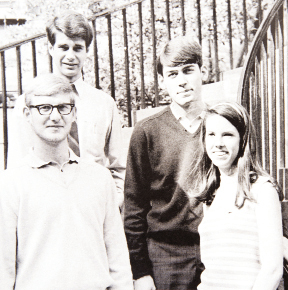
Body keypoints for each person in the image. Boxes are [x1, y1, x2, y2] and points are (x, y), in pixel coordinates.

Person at [0, 73, 133, 290]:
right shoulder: (10, 184)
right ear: (27, 114)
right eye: (44, 107)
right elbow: (3, 271)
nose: (55, 116)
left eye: (63, 107)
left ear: (74, 114)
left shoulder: (99, 178)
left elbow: (117, 259)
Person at [8, 11, 125, 208]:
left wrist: (112, 204)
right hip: (43, 207)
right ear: (51, 48)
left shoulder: (104, 104)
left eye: (77, 48)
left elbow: (119, 168)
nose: (70, 56)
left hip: (93, 206)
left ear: (87, 51)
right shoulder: (27, 104)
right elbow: (17, 168)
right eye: (63, 47)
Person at [124, 35, 207, 290]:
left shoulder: (221, 126)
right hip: (166, 256)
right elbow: (134, 206)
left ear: (203, 71)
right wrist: (140, 272)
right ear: (163, 82)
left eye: (188, 71)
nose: (181, 81)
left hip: (216, 247)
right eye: (172, 74)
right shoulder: (147, 131)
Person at [187, 102, 283, 290]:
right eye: (212, 135)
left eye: (228, 135)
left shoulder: (262, 190)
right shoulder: (212, 194)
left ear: (243, 139)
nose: (218, 143)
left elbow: (272, 270)